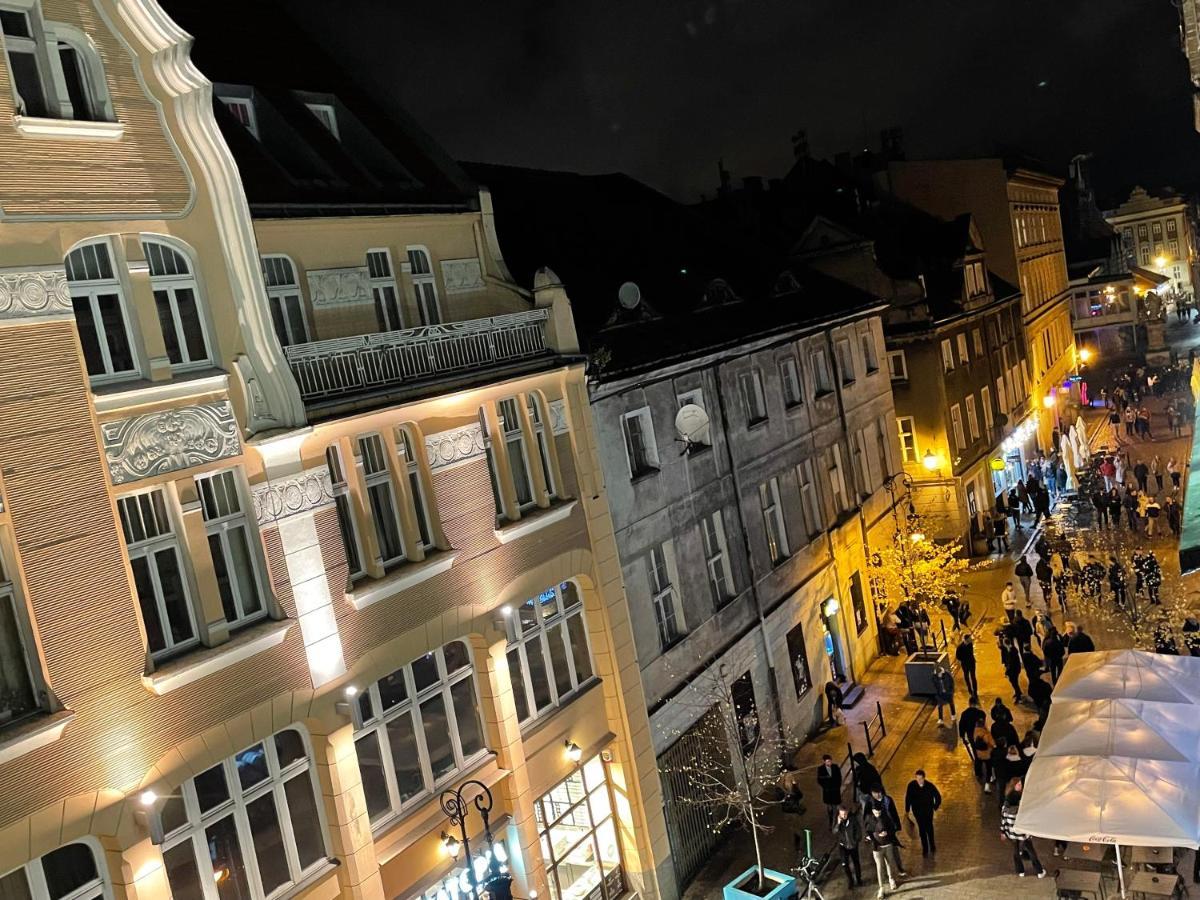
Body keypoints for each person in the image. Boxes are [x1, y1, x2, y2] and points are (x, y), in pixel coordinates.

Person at [1000, 790, 1045, 878]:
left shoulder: (1005, 809)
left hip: (1012, 834)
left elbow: (1003, 821)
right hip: (1023, 835)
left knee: (1016, 852)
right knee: (1031, 852)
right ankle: (1039, 871)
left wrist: (1003, 832)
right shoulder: (1022, 810)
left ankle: (1020, 871)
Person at [865, 800, 903, 898]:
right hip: (877, 847)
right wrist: (876, 835)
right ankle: (881, 887)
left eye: (879, 812)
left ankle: (891, 879)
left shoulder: (886, 817)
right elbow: (868, 831)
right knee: (879, 868)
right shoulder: (869, 819)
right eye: (876, 812)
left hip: (887, 845)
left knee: (890, 863)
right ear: (872, 811)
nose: (878, 814)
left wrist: (887, 833)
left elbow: (892, 828)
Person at [904, 770, 942, 857]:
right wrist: (907, 809)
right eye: (917, 778)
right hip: (918, 812)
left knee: (929, 828)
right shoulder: (911, 786)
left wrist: (934, 807)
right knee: (922, 829)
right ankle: (925, 848)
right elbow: (908, 797)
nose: (918, 780)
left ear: (924, 778)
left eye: (920, 779)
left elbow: (938, 796)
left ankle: (932, 845)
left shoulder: (929, 786)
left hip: (928, 812)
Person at [833, 805, 864, 889]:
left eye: (845, 814)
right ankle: (850, 881)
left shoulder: (853, 820)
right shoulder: (837, 821)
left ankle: (859, 879)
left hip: (853, 846)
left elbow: (859, 832)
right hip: (843, 846)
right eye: (842, 815)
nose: (844, 816)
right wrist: (838, 824)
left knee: (856, 862)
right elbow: (834, 831)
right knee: (845, 864)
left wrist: (855, 841)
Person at [817, 754, 842, 828]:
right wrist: (825, 786)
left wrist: (838, 785)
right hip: (827, 791)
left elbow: (839, 777)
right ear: (824, 762)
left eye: (830, 761)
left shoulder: (835, 767)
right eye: (828, 761)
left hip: (835, 789)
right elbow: (819, 780)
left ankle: (837, 820)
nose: (829, 763)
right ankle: (831, 820)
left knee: (836, 805)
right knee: (829, 806)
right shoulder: (821, 769)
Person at [972, 718, 997, 792]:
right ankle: (987, 785)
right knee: (989, 770)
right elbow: (992, 744)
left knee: (979, 763)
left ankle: (979, 775)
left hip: (979, 753)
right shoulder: (986, 734)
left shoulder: (975, 731)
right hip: (987, 754)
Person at [931, 662, 955, 727]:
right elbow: (934, 685)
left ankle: (953, 714)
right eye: (938, 674)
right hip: (940, 693)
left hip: (948, 692)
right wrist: (936, 693)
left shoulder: (947, 674)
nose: (939, 675)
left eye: (940, 674)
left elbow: (952, 682)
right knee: (940, 706)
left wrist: (951, 691)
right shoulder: (934, 676)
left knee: (951, 703)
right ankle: (940, 718)